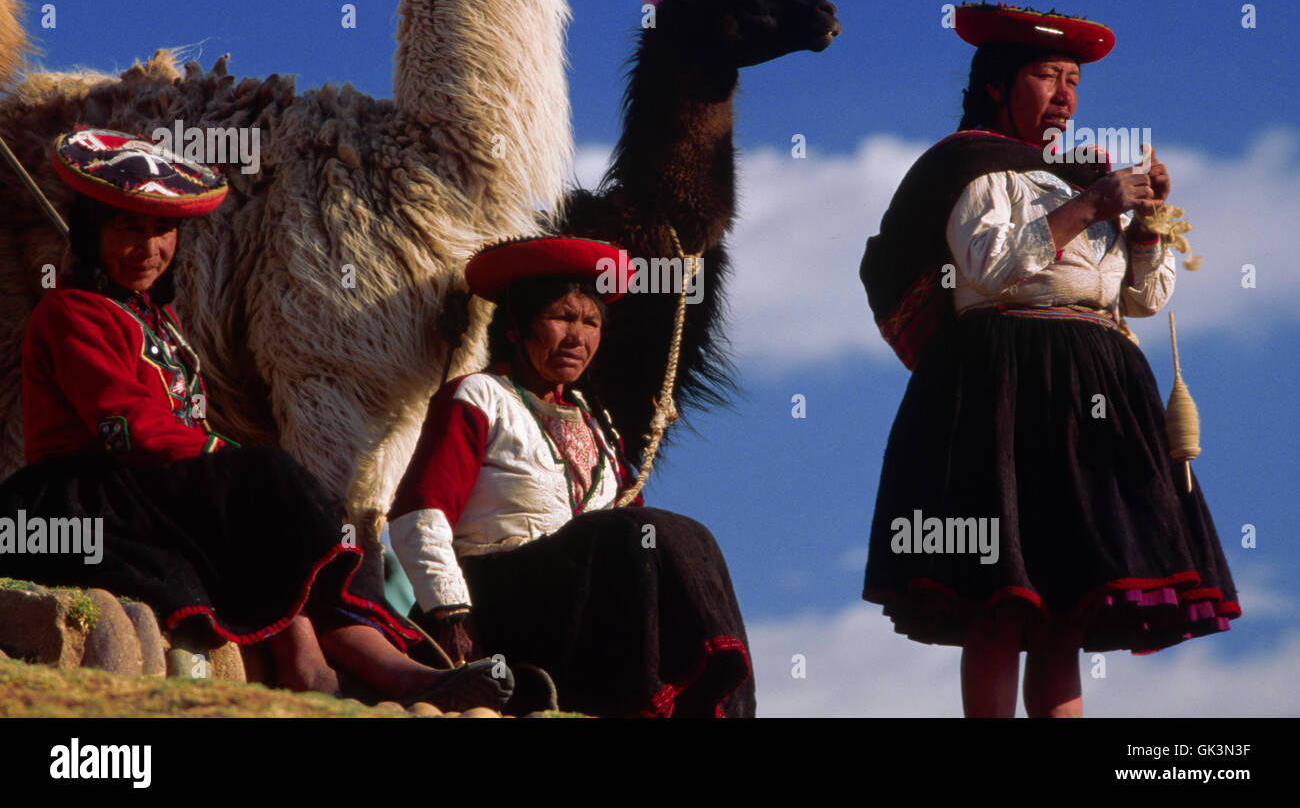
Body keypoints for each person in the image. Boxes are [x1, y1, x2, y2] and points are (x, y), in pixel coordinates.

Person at [1, 128, 511, 711]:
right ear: (92, 232)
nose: (148, 248)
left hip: (144, 482)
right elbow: (125, 426)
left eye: (162, 230)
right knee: (263, 479)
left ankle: (406, 673)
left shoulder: (158, 320)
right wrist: (223, 459)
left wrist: (220, 461)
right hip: (87, 491)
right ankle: (313, 669)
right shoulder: (70, 313)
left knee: (283, 493)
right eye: (127, 227)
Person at [858, 4, 1239, 717]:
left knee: (1066, 603)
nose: (1065, 94)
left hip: (1095, 387)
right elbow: (995, 263)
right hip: (1007, 387)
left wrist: (1150, 225)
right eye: (1045, 76)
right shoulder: (967, 166)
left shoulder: (1077, 176)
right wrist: (1092, 204)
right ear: (1000, 83)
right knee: (1000, 596)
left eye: (1073, 80)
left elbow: (1141, 298)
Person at [388, 235, 756, 716]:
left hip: (575, 609)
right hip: (495, 598)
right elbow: (420, 513)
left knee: (684, 536)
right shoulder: (478, 396)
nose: (576, 337)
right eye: (561, 317)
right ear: (517, 328)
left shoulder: (593, 419)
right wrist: (452, 612)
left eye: (590, 322)